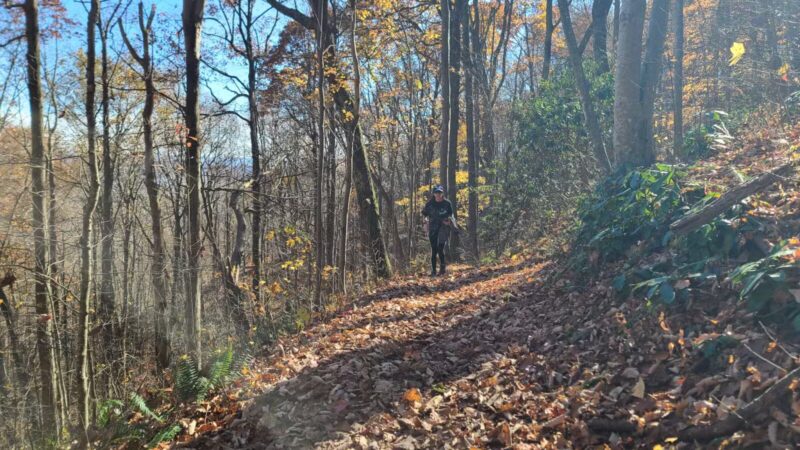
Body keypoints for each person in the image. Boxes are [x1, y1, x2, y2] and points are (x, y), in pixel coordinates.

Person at [422, 185, 454, 276]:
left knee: (440, 248)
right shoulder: (429, 204)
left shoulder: (447, 203)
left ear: (442, 193)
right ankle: (433, 271)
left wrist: (449, 221)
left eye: (440, 192)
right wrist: (425, 223)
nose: (438, 194)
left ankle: (442, 269)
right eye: (436, 192)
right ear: (434, 194)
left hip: (443, 228)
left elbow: (451, 215)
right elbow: (424, 215)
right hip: (432, 228)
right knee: (434, 249)